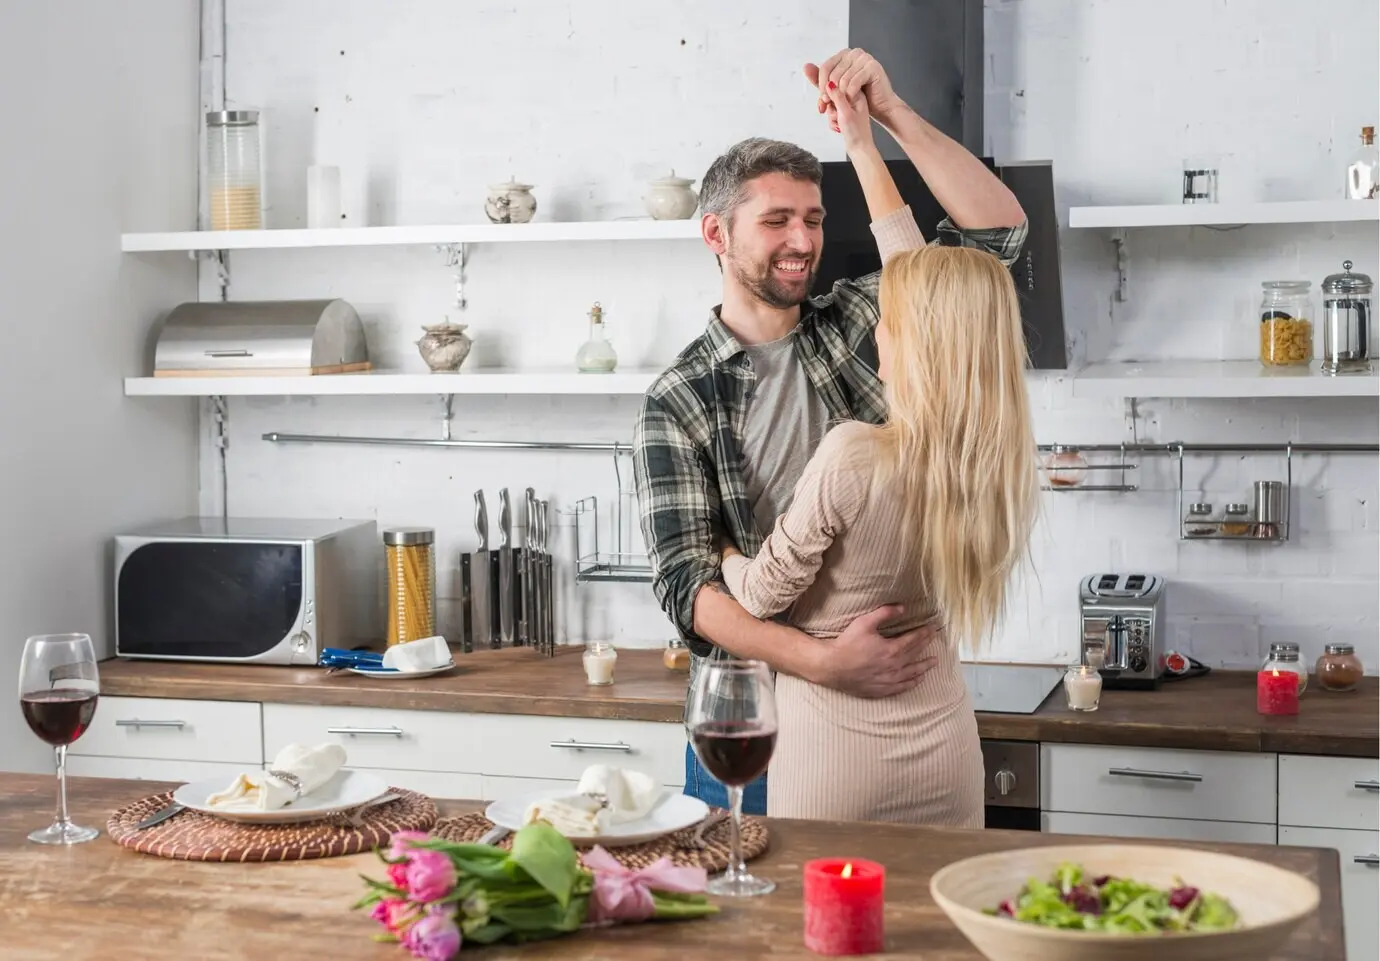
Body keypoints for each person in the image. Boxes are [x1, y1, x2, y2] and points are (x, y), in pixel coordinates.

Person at [632, 48, 1028, 814]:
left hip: (891, 715)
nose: (803, 240)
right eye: (776, 219)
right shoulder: (678, 397)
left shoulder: (861, 320)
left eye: (813, 218)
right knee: (754, 928)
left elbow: (997, 244)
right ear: (716, 232)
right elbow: (689, 588)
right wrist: (823, 662)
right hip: (746, 717)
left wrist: (889, 119)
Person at [720, 241, 1041, 825]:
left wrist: (723, 550)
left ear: (917, 344)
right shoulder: (992, 460)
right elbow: (922, 272)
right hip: (947, 752)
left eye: (888, 325)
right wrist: (867, 148)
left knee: (831, 916)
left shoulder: (853, 453)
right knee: (938, 914)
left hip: (836, 759)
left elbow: (761, 594)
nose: (877, 338)